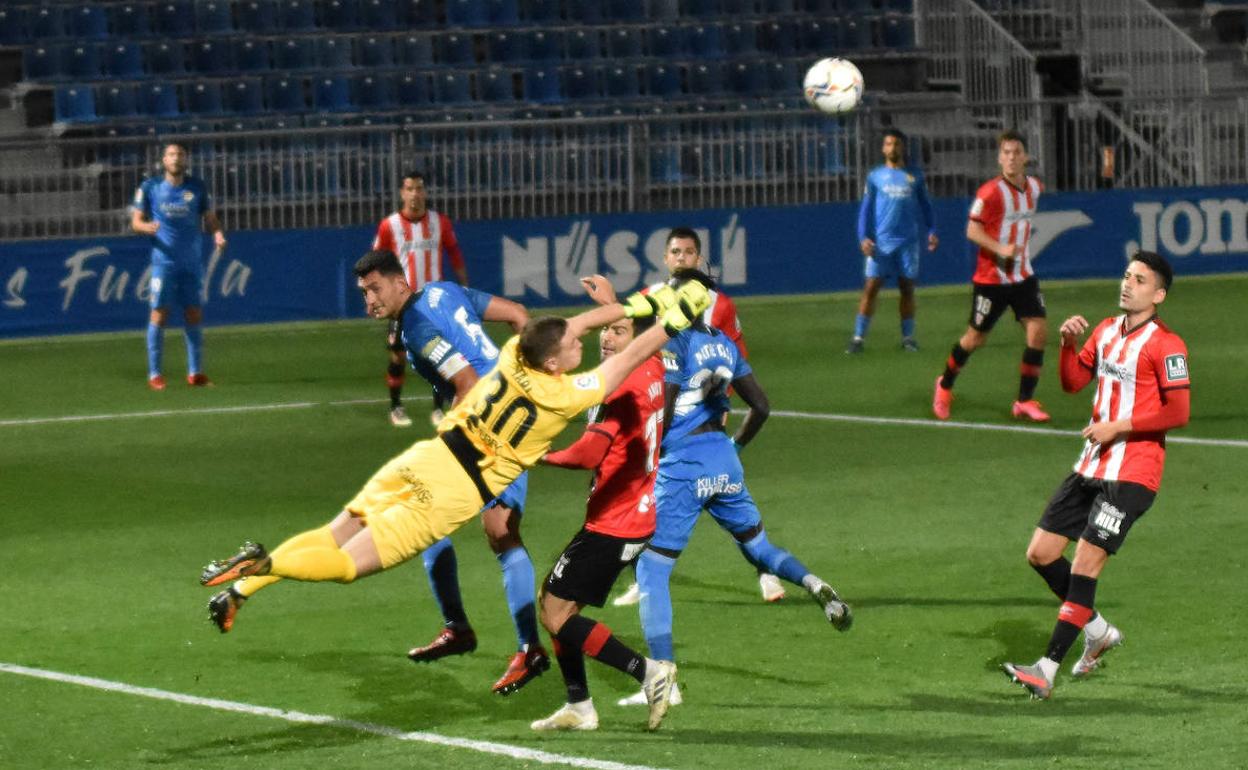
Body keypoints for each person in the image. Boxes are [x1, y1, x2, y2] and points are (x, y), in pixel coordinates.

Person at [198, 273, 716, 730]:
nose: (582, 347)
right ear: (555, 361)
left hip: (428, 457)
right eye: (572, 350)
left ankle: (247, 582)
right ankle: (263, 562)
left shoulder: (515, 355)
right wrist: (672, 318)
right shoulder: (566, 396)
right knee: (346, 565)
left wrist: (640, 304)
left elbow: (573, 325)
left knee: (338, 529)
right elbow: (631, 354)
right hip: (453, 492)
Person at [208, 249, 548, 695]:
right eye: (363, 292)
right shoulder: (444, 291)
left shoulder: (417, 327)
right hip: (504, 424)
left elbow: (465, 383)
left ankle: (530, 648)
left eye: (374, 289)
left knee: (500, 534)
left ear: (399, 282)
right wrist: (529, 384)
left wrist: (457, 439)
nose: (368, 300)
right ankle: (458, 628)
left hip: (490, 436)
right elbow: (519, 315)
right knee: (431, 527)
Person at [615, 272, 854, 707]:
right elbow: (761, 405)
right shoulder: (723, 342)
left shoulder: (674, 342)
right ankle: (814, 583)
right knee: (757, 546)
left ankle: (663, 680)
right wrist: (735, 446)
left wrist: (644, 459)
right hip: (722, 458)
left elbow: (664, 406)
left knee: (651, 569)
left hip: (682, 463)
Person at [1003, 252, 1190, 699]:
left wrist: (1118, 426)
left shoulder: (1168, 345)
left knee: (1086, 562)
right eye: (1127, 275)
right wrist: (1068, 345)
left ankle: (1046, 670)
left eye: (1140, 280)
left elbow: (1179, 412)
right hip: (1091, 464)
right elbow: (1072, 383)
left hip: (1133, 474)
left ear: (1158, 294)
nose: (1128, 284)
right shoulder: (1106, 331)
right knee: (1041, 553)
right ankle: (1099, 630)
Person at [614, 227, 787, 606]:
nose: (681, 258)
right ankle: (641, 579)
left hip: (703, 418)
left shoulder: (720, 305)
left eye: (688, 252)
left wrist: (717, 407)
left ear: (698, 259)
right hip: (659, 413)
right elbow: (625, 337)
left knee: (726, 498)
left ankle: (765, 571)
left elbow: (733, 359)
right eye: (675, 251)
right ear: (664, 258)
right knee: (642, 498)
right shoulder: (650, 298)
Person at [529, 308, 666, 731]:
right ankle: (580, 706)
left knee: (555, 614)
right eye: (606, 330)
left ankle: (648, 672)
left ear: (638, 340)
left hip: (614, 522)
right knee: (553, 600)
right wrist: (614, 304)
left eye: (618, 331)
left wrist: (537, 456)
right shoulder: (654, 367)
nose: (606, 338)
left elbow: (589, 454)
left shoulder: (619, 387)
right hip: (637, 513)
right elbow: (647, 329)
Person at [932, 130, 1049, 423]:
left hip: (1023, 276)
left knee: (1037, 332)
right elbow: (971, 230)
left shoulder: (1035, 188)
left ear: (1025, 157)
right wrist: (1000, 248)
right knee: (975, 339)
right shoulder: (989, 193)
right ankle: (944, 385)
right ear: (999, 158)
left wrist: (1015, 253)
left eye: (1016, 152)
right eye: (1005, 153)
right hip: (991, 280)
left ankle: (1024, 401)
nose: (1011, 158)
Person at [372, 170, 468, 428]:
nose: (415, 194)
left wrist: (464, 290)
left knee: (439, 355)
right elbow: (376, 261)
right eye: (410, 189)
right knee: (398, 356)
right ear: (402, 193)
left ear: (424, 192)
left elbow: (455, 255)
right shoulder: (389, 225)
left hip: (433, 301)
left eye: (419, 188)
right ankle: (396, 406)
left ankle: (439, 409)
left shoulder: (440, 222)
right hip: (401, 303)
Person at [131, 143, 226, 390]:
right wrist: (146, 227)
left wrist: (217, 233)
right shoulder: (150, 187)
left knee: (194, 313)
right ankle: (155, 375)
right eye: (172, 155)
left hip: (191, 263)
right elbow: (135, 222)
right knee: (159, 314)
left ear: (186, 160)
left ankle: (195, 373)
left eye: (180, 155)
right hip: (164, 263)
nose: (176, 158)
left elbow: (209, 216)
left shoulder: (197, 187)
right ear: (164, 160)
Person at [847, 128, 937, 354]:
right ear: (883, 148)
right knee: (871, 288)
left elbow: (926, 206)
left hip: (908, 243)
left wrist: (932, 230)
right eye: (888, 144)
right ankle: (858, 338)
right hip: (881, 244)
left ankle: (908, 338)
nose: (892, 148)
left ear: (903, 147)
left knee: (907, 289)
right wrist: (862, 237)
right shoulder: (875, 176)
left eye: (896, 144)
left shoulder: (914, 175)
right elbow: (865, 210)